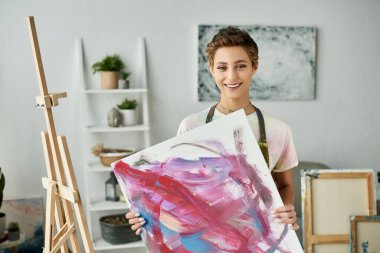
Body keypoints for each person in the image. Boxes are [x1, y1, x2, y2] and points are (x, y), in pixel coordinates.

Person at [126, 26, 299, 235]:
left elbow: (285, 186)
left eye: (241, 66)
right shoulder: (191, 126)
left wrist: (286, 208)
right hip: (207, 238)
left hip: (259, 238)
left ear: (255, 67)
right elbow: (175, 188)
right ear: (211, 69)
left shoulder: (277, 130)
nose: (232, 76)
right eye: (222, 67)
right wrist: (146, 214)